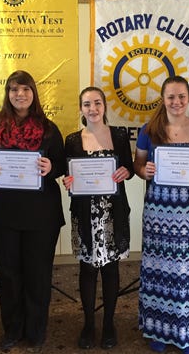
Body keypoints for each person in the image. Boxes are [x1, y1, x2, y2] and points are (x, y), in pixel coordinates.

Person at [0, 70, 65, 353]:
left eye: (25, 89)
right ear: (8, 93)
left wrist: (52, 168)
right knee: (8, 273)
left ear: (33, 93)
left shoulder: (49, 128)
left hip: (41, 214)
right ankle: (12, 329)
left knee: (38, 273)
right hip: (4, 213)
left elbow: (62, 165)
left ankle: (36, 329)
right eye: (14, 89)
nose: (20, 95)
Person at [133, 75, 189, 354]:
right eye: (171, 97)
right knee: (160, 270)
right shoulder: (149, 129)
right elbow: (139, 164)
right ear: (163, 98)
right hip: (159, 212)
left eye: (181, 96)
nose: (177, 102)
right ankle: (160, 331)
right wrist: (144, 171)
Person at [62, 87, 134, 350]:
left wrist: (126, 171)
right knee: (88, 270)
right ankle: (89, 323)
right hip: (84, 213)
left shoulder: (119, 135)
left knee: (111, 269)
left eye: (96, 103)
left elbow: (129, 169)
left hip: (112, 213)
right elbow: (67, 175)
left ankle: (109, 324)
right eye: (86, 104)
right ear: (80, 109)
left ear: (104, 106)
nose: (92, 108)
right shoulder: (71, 140)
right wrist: (67, 181)